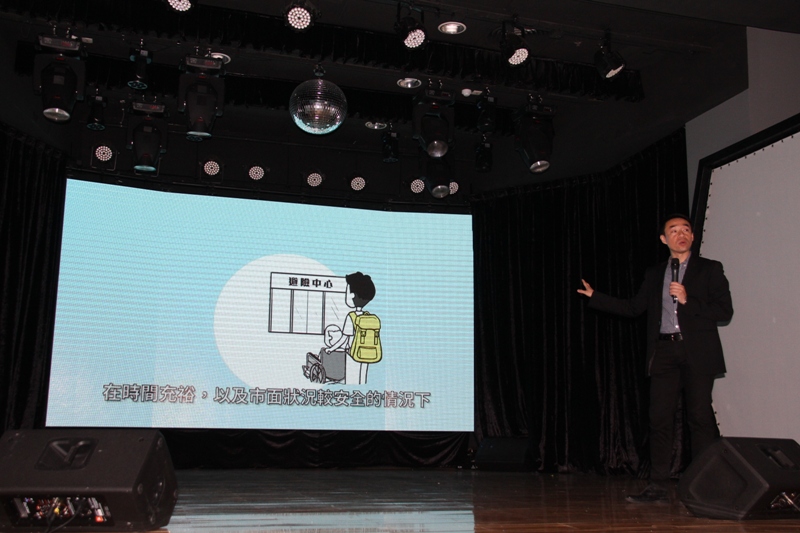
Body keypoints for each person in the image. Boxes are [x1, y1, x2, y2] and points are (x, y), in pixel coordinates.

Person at [577, 214, 733, 503]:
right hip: (664, 352)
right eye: (674, 231)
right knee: (659, 418)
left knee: (699, 417)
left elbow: (724, 311)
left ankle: (705, 487)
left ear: (692, 236)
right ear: (664, 239)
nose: (681, 234)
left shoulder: (710, 269)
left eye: (685, 230)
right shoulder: (655, 273)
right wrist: (596, 296)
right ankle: (657, 486)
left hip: (697, 352)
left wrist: (688, 300)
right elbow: (634, 308)